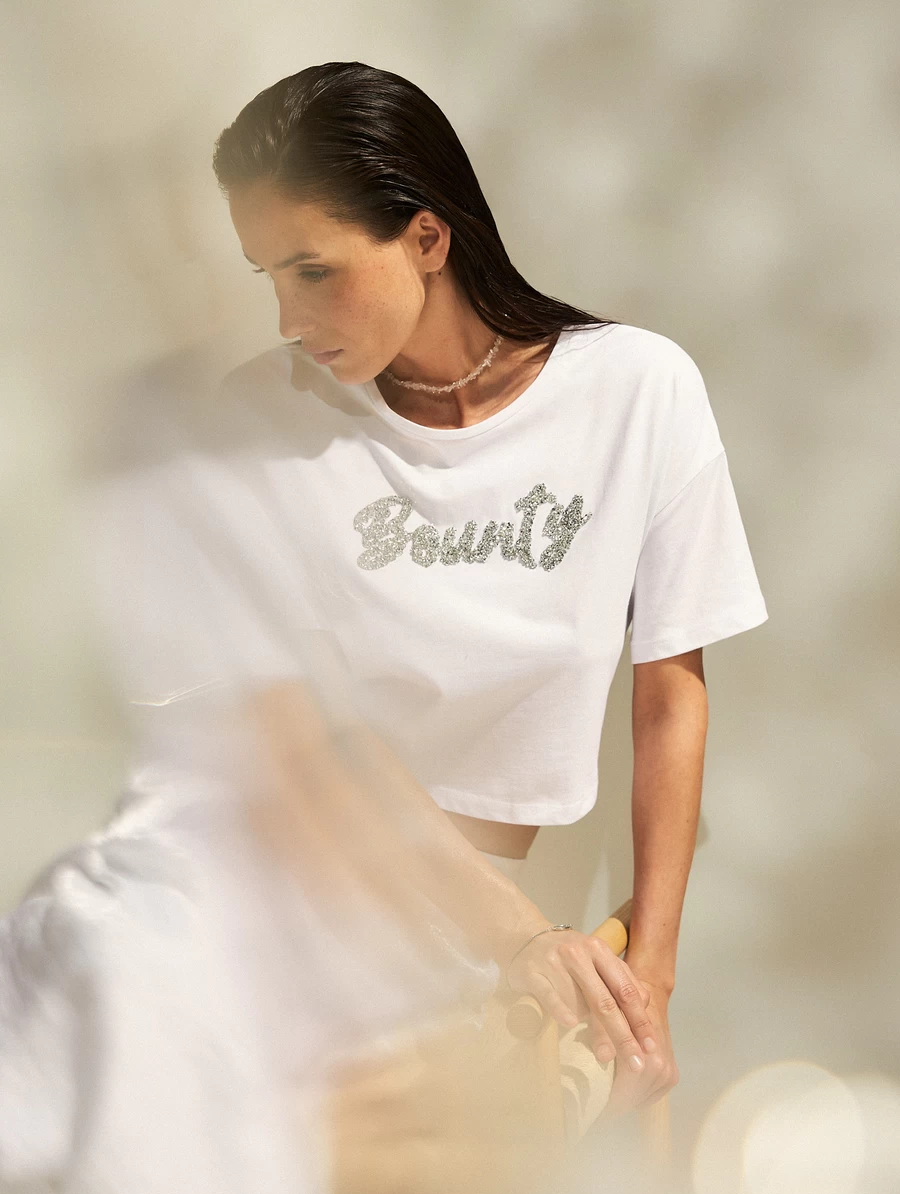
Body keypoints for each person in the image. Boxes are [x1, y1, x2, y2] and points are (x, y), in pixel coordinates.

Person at [207, 58, 769, 1120]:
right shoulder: (254, 428)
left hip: (531, 947)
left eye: (312, 270)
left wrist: (650, 979)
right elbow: (311, 740)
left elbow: (670, 694)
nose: (286, 317)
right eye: (267, 276)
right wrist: (514, 939)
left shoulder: (638, 393)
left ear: (427, 237)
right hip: (310, 925)